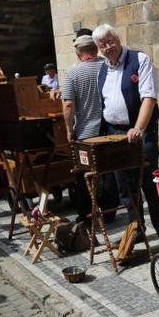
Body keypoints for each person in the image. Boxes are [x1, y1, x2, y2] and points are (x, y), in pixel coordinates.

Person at [93, 24, 159, 240]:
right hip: (115, 133)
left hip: (141, 132)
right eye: (102, 44)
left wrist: (139, 128)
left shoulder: (139, 59)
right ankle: (137, 230)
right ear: (98, 48)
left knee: (149, 184)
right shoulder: (103, 68)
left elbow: (149, 98)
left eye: (110, 40)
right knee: (125, 186)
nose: (108, 47)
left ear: (118, 38)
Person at [62, 35, 105, 222]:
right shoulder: (107, 66)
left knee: (83, 176)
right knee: (109, 172)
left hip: (86, 132)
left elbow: (68, 105)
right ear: (95, 49)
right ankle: (110, 211)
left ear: (78, 52)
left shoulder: (73, 72)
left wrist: (69, 129)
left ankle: (87, 214)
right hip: (107, 130)